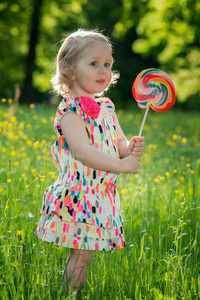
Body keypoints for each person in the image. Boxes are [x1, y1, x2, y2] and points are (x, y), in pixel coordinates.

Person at [36, 29, 145, 298]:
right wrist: (122, 166)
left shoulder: (107, 107)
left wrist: (128, 148)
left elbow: (118, 145)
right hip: (80, 194)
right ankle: (71, 294)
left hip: (101, 196)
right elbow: (83, 151)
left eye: (107, 64)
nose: (103, 70)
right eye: (94, 63)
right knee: (81, 251)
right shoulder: (69, 111)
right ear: (70, 70)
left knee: (86, 252)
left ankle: (75, 293)